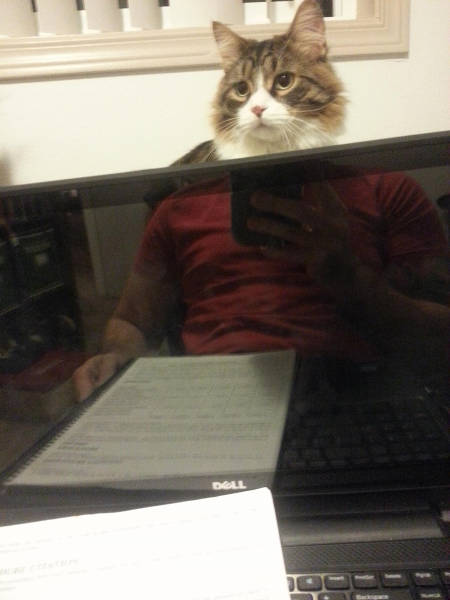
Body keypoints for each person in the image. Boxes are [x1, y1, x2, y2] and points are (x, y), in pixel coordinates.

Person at [73, 171, 449, 401]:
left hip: (357, 390)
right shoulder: (179, 209)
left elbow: (439, 340)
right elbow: (133, 322)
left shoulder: (388, 190)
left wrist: (351, 279)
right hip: (213, 395)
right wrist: (115, 358)